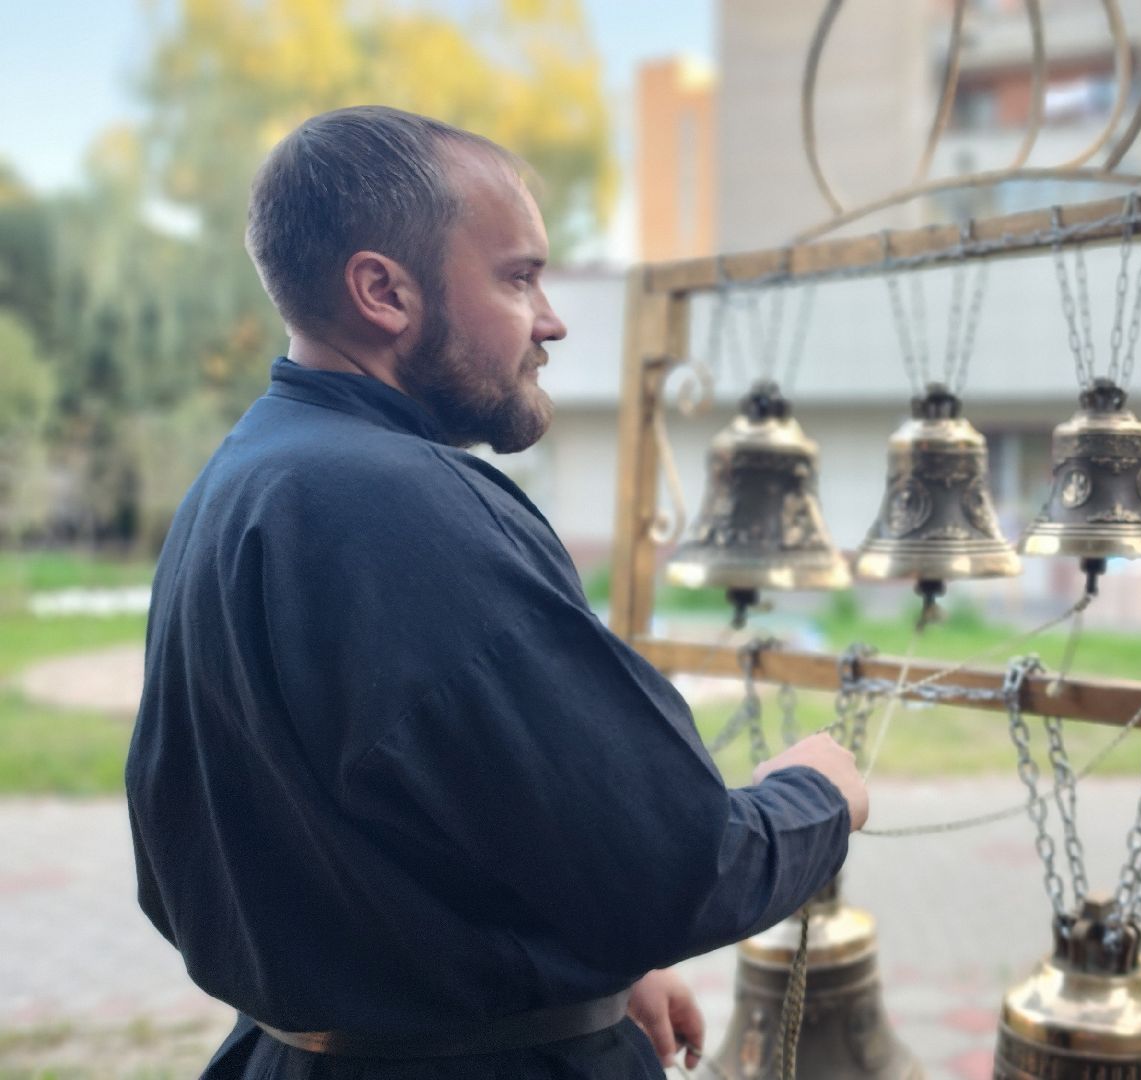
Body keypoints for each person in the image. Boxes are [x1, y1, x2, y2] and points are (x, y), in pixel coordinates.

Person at [125, 105, 869, 1080]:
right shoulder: (392, 504)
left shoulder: (253, 474)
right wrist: (818, 794)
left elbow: (395, 824)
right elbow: (667, 867)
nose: (551, 319)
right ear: (383, 292)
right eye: (518, 276)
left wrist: (577, 971)